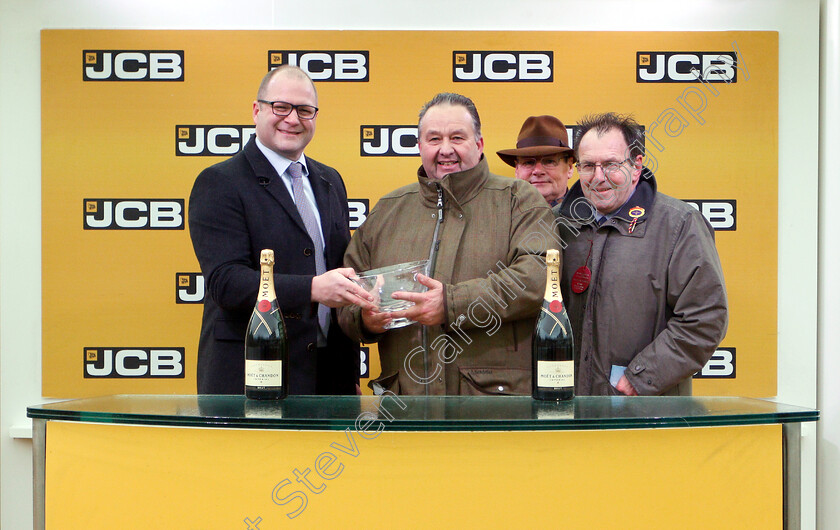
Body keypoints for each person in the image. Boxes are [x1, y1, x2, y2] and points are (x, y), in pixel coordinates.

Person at [338, 92, 556, 396]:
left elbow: (538, 277)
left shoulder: (518, 199)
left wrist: (451, 304)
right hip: (405, 410)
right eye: (434, 139)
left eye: (457, 137)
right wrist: (364, 318)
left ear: (479, 144)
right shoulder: (387, 210)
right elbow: (347, 293)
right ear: (419, 147)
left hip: (493, 412)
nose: (445, 150)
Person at [188, 65, 374, 395]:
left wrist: (348, 374)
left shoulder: (330, 181)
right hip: (252, 376)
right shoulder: (220, 183)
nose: (292, 119)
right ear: (256, 110)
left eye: (305, 110)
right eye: (281, 107)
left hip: (329, 378)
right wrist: (312, 289)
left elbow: (338, 268)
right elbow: (226, 282)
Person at [554, 112, 728, 396]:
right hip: (566, 411)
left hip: (645, 412)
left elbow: (705, 318)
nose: (599, 177)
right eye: (588, 166)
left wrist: (639, 379)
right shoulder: (556, 225)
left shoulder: (679, 224)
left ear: (636, 166)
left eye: (611, 164)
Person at [497, 115, 575, 206]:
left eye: (549, 161)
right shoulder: (498, 216)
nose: (538, 171)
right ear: (517, 170)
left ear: (569, 168)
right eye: (528, 162)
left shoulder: (590, 217)